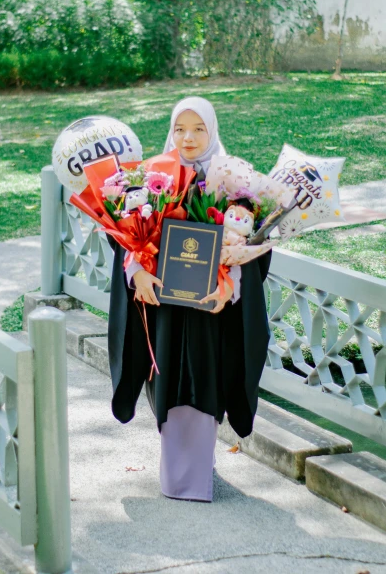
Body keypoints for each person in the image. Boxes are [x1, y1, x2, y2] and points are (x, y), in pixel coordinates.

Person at [107, 96, 271, 502]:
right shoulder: (150, 178)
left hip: (209, 308)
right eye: (180, 128)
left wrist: (230, 285)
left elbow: (250, 245)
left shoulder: (235, 180)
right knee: (165, 380)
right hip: (164, 306)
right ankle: (178, 472)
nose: (188, 137)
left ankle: (196, 473)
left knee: (206, 378)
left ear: (212, 130)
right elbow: (126, 239)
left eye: (198, 128)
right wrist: (138, 272)